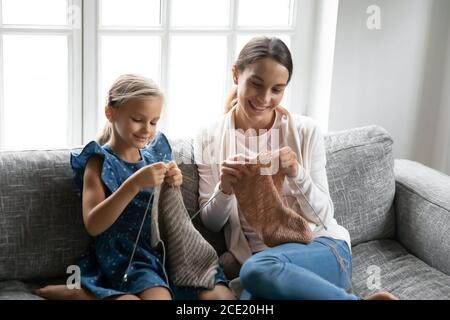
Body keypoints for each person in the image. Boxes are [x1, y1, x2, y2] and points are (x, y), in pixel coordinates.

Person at [194, 36, 398, 300]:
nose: (265, 98)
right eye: (256, 84)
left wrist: (297, 173)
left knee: (256, 271)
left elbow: (324, 216)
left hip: (323, 248)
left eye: (277, 89)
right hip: (266, 265)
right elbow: (210, 222)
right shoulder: (209, 137)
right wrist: (225, 188)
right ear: (236, 74)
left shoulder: (305, 131)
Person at [36, 74, 234, 300]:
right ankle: (86, 295)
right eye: (138, 120)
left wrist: (174, 183)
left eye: (153, 122)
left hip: (168, 250)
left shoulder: (156, 153)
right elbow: (93, 224)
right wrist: (134, 184)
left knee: (221, 297)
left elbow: (169, 214)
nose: (147, 130)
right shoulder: (99, 162)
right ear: (111, 113)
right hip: (126, 254)